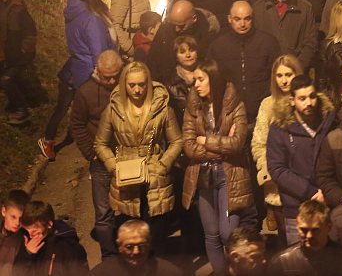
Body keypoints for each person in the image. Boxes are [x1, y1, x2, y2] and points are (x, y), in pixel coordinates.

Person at [93, 61, 182, 248]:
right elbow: (100, 143)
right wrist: (113, 166)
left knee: (155, 233)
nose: (137, 90)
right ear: (124, 84)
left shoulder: (163, 108)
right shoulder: (113, 109)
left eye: (141, 84)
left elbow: (177, 141)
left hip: (154, 172)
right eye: (132, 85)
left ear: (148, 83)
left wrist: (163, 164)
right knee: (131, 232)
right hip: (126, 174)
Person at [181, 58, 252, 276]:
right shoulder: (193, 106)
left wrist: (207, 141)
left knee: (227, 233)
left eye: (201, 79)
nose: (197, 85)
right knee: (211, 234)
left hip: (229, 174)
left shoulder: (234, 104)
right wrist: (221, 144)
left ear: (214, 78)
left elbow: (238, 143)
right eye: (195, 81)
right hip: (204, 175)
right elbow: (189, 146)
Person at [40, 0, 117, 161]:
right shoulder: (92, 18)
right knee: (97, 112)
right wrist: (102, 74)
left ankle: (48, 139)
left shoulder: (73, 10)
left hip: (72, 69)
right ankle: (99, 151)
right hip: (89, 73)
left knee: (63, 106)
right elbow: (97, 51)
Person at [266, 75, 337, 248]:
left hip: (330, 204)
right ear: (292, 100)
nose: (309, 103)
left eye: (312, 96)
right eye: (302, 98)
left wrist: (329, 191)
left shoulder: (331, 122)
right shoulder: (280, 128)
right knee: (299, 262)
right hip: (296, 207)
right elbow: (277, 169)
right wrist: (311, 192)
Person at [68, 49, 122, 259]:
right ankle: (109, 258)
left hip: (126, 156)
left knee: (131, 207)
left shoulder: (127, 85)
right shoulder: (85, 92)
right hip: (100, 159)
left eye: (114, 76)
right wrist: (90, 153)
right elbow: (77, 124)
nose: (110, 81)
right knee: (103, 213)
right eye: (105, 76)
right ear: (97, 71)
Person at [251, 53, 302, 239]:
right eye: (279, 76)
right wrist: (267, 169)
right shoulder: (268, 104)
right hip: (277, 181)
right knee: (285, 236)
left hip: (304, 179)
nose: (284, 80)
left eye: (288, 75)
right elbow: (259, 142)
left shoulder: (307, 100)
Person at [207, 1, 281, 124]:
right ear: (229, 19)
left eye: (247, 19)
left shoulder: (268, 43)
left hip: (263, 112)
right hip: (230, 115)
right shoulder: (218, 46)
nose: (242, 24)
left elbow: (277, 77)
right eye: (237, 19)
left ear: (253, 18)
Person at [252, 0, 318, 71]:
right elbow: (255, 44)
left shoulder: (304, 8)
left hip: (296, 73)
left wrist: (297, 67)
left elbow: (311, 43)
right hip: (267, 73)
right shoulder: (258, 9)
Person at [271, 201, 342, 275]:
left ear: (329, 227)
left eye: (315, 230)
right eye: (304, 230)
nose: (309, 235)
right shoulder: (283, 262)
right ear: (296, 226)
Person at [0, 0, 37, 125]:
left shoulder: (17, 10)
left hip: (17, 56)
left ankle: (22, 111)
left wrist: (22, 52)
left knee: (6, 81)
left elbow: (29, 32)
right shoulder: (4, 5)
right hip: (7, 53)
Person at [12, 201, 87, 276]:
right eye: (27, 230)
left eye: (34, 230)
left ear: (49, 224)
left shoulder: (70, 249)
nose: (30, 235)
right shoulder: (27, 242)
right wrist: (27, 254)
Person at [146, 0, 213, 83]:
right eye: (174, 24)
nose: (176, 29)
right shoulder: (166, 29)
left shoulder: (207, 33)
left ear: (194, 18)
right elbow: (153, 59)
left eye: (181, 25)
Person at [90, 219, 181, 276]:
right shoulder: (101, 273)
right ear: (119, 246)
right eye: (129, 247)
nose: (136, 252)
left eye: (141, 246)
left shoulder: (170, 272)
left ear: (149, 244)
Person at [1, 189, 28, 276]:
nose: (17, 223)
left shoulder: (25, 239)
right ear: (4, 211)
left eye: (21, 218)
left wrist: (28, 253)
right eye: (13, 217)